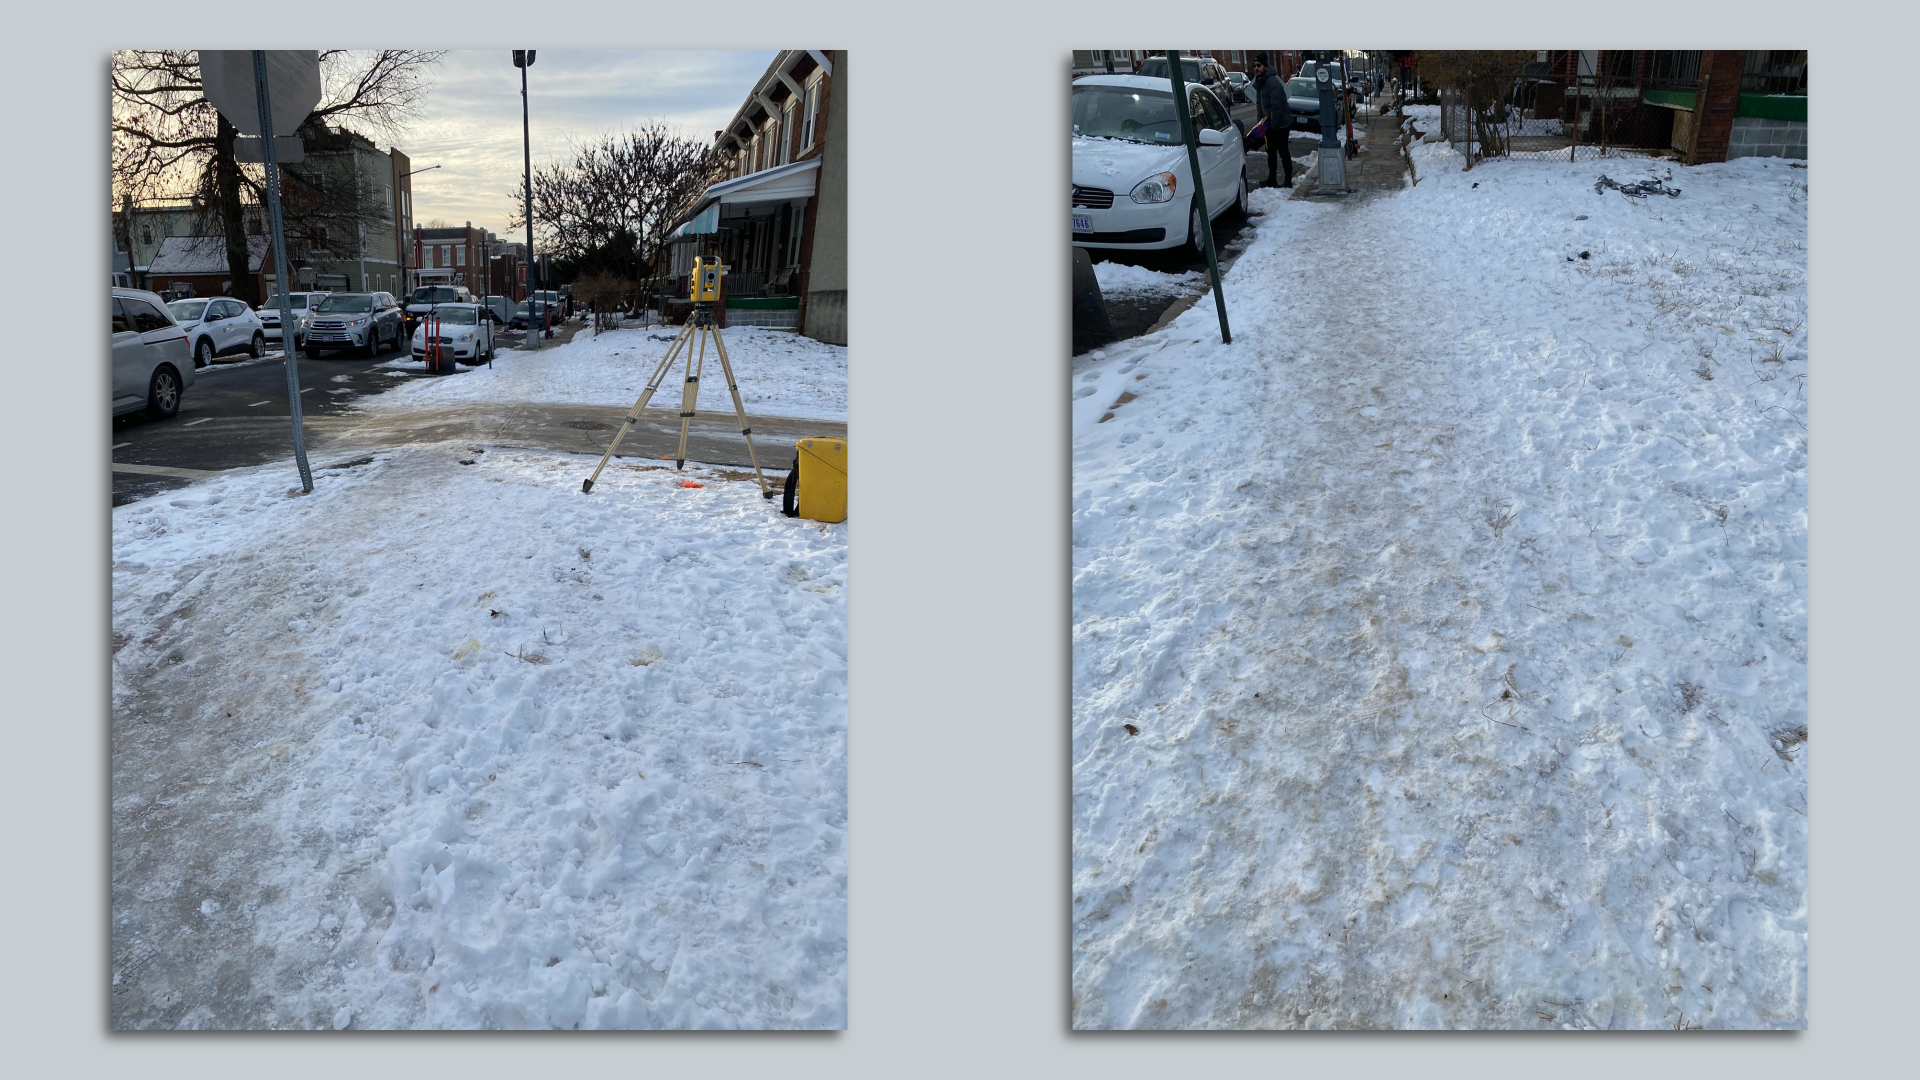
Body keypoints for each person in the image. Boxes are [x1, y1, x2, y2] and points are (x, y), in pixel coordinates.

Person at [1259, 57, 1295, 188]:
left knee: (1283, 150)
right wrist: (1260, 124)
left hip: (1282, 123)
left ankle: (1288, 180)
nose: (1256, 68)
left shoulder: (1272, 81)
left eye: (1259, 65)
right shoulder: (1260, 82)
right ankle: (1272, 178)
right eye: (1254, 66)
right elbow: (1260, 105)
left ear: (1265, 67)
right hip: (1270, 122)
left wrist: (1273, 125)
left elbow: (1276, 107)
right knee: (1271, 151)